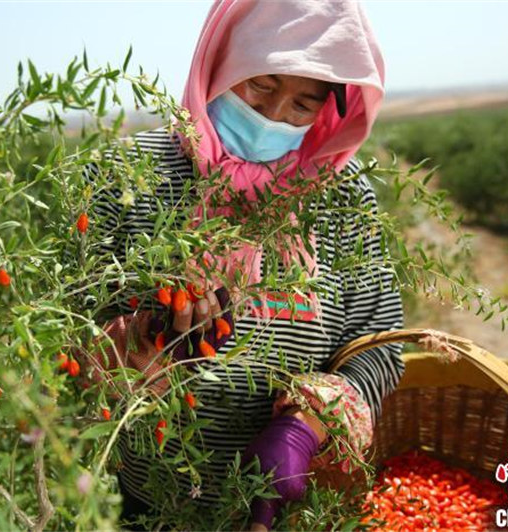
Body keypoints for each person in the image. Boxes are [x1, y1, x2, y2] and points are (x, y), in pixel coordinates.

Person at [79, 1, 405, 530]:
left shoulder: (341, 197)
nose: (273, 116)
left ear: (329, 109)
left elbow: (381, 343)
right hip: (156, 503)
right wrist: (140, 345)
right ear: (222, 63)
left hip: (291, 507)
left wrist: (308, 425)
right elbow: (62, 337)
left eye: (304, 103)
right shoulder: (128, 176)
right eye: (260, 86)